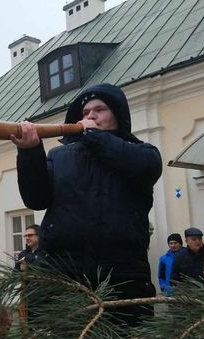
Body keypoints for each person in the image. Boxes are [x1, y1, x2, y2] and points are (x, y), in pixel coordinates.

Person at [11, 83, 162, 326]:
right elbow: (35, 199)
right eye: (85, 112)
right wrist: (30, 152)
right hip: (61, 275)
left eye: (99, 109)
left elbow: (145, 168)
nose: (90, 115)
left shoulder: (142, 152)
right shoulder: (59, 156)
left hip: (121, 277)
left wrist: (95, 136)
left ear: (118, 115)